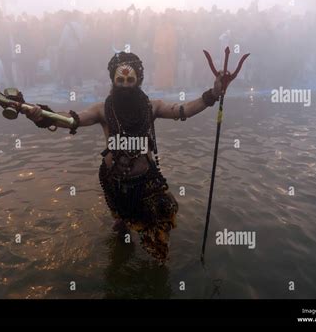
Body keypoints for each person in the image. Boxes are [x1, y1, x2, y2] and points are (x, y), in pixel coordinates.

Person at [22, 52, 225, 261]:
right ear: (113, 81)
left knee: (159, 234)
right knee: (120, 227)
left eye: (130, 80)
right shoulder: (102, 110)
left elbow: (183, 110)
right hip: (113, 182)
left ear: (138, 81)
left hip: (146, 183)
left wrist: (212, 94)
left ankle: (155, 279)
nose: (125, 85)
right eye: (120, 80)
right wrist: (44, 116)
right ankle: (119, 258)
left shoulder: (151, 107)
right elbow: (73, 120)